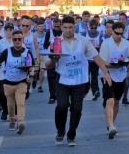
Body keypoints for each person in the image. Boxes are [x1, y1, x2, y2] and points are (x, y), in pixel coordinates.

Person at [46, 16, 111, 146]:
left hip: (80, 80)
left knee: (77, 109)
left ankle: (71, 135)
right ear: (61, 27)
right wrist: (54, 59)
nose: (68, 30)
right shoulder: (56, 42)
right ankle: (60, 130)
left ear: (74, 27)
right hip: (63, 79)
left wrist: (105, 72)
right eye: (65, 27)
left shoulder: (84, 41)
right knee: (62, 106)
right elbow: (48, 65)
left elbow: (96, 57)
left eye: (70, 27)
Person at [99, 22, 129, 139]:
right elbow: (102, 61)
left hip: (121, 77)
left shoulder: (126, 43)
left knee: (116, 102)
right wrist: (113, 65)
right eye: (116, 33)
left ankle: (111, 123)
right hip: (108, 75)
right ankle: (112, 127)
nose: (119, 35)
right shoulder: (106, 43)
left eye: (121, 34)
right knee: (110, 101)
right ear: (112, 31)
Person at [0, 30, 34, 133]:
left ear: (22, 39)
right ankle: (12, 120)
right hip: (8, 82)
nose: (17, 41)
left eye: (19, 39)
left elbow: (31, 66)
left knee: (20, 103)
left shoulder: (27, 52)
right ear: (12, 40)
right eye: (15, 39)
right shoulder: (6, 51)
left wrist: (31, 73)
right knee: (10, 105)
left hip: (21, 82)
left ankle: (21, 122)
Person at [0, 23, 14, 121]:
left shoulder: (17, 41)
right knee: (2, 93)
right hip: (2, 71)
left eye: (11, 30)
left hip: (14, 71)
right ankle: (5, 110)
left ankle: (12, 111)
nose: (9, 32)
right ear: (4, 31)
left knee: (12, 93)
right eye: (7, 30)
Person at [43, 18, 62, 104]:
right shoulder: (49, 32)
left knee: (60, 77)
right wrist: (52, 44)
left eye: (58, 26)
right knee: (51, 77)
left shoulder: (63, 32)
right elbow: (45, 45)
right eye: (55, 26)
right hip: (51, 57)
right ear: (52, 25)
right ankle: (52, 96)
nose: (57, 28)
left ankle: (60, 95)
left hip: (61, 58)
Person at [86, 19, 103, 101]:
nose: (93, 29)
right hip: (86, 59)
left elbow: (102, 46)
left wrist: (97, 48)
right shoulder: (85, 34)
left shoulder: (100, 34)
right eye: (91, 28)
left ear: (97, 27)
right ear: (89, 27)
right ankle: (85, 91)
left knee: (94, 77)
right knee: (86, 76)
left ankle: (95, 91)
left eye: (95, 28)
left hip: (95, 59)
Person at [119, 12, 129, 105]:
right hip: (115, 57)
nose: (121, 21)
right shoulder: (114, 29)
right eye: (120, 19)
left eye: (123, 19)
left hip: (126, 57)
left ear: (126, 20)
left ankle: (125, 97)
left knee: (127, 78)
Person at [35, 18, 46, 93]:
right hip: (36, 55)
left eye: (42, 26)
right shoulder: (33, 35)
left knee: (42, 70)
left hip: (44, 55)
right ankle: (35, 79)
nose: (41, 27)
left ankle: (40, 85)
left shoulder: (46, 35)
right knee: (35, 71)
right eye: (39, 26)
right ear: (36, 27)